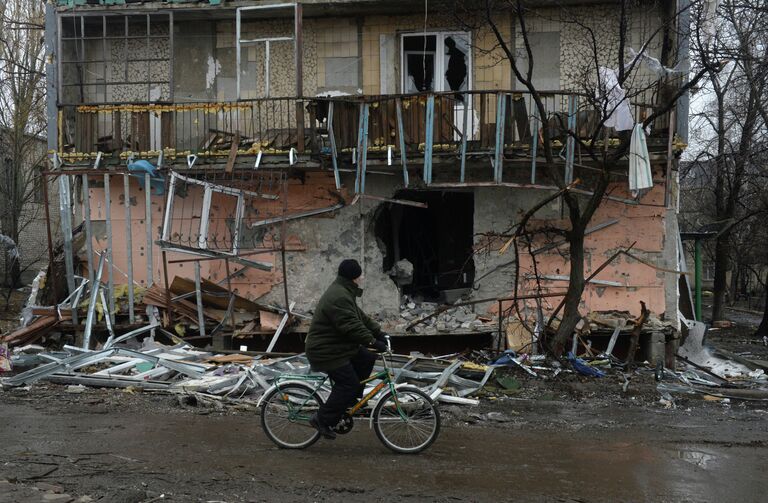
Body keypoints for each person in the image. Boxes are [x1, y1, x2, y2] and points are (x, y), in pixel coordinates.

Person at [305, 259, 388, 439]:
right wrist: (374, 342)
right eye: (360, 275)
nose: (363, 277)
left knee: (366, 358)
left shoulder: (344, 291)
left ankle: (350, 400)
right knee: (348, 384)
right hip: (326, 351)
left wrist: (379, 333)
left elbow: (360, 318)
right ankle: (321, 419)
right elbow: (352, 327)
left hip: (338, 347)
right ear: (353, 278)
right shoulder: (340, 296)